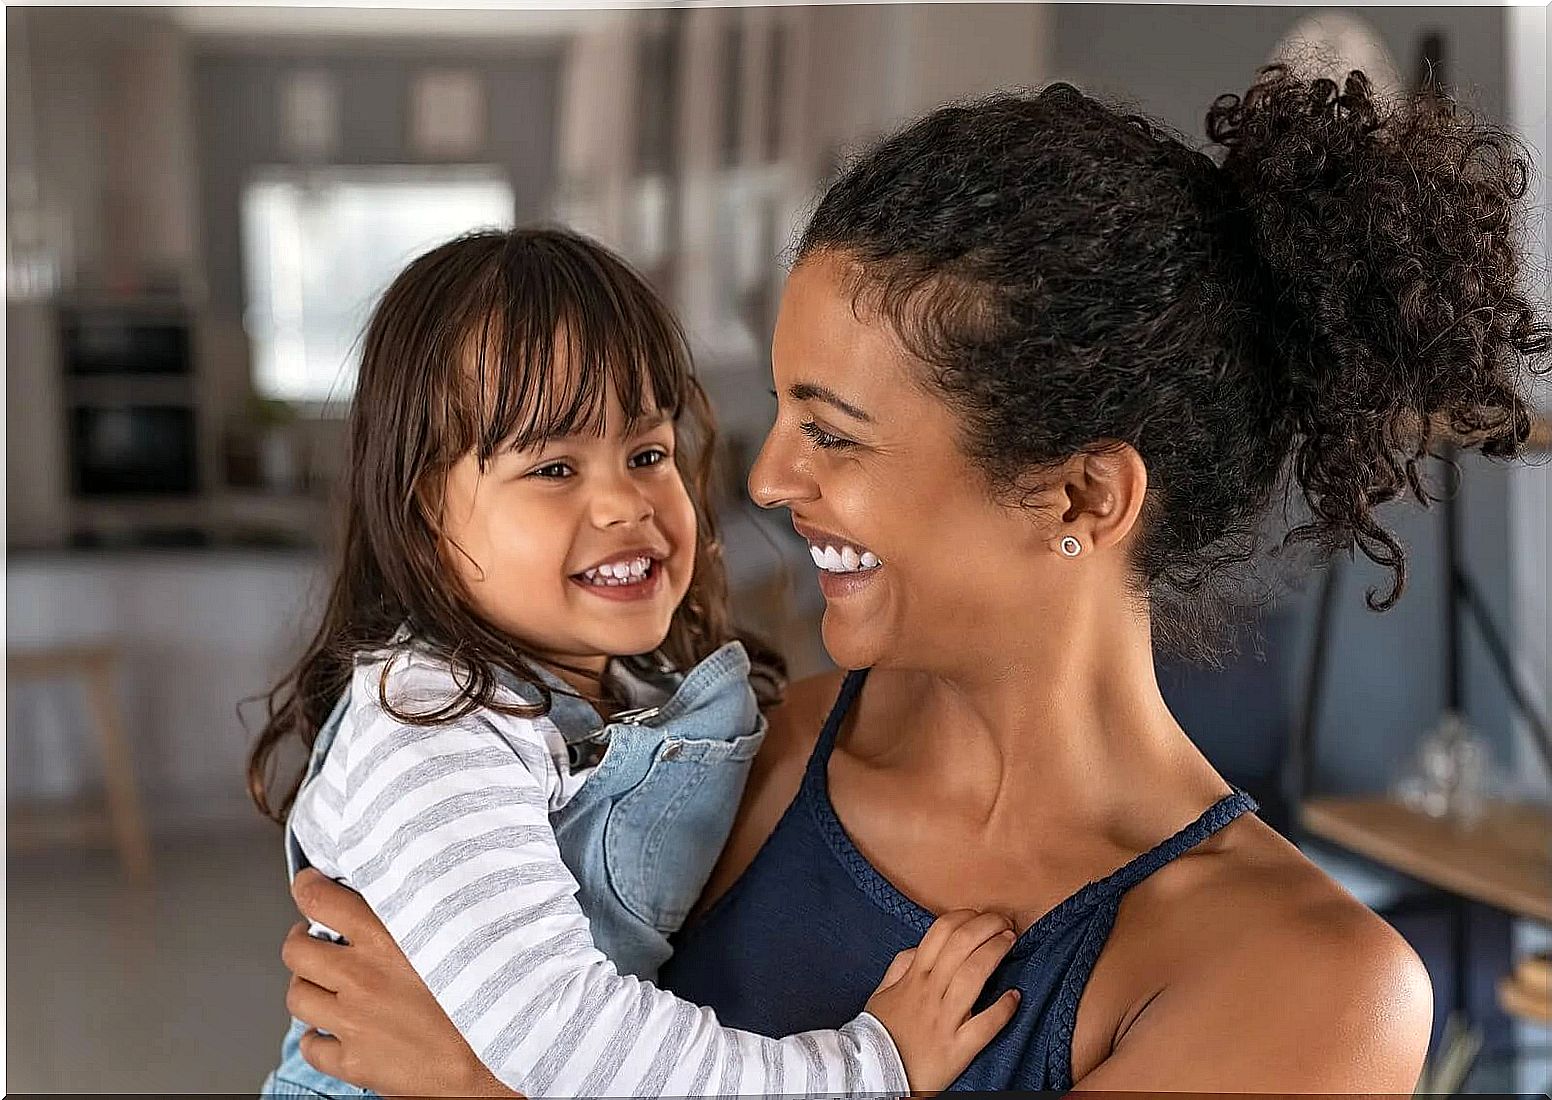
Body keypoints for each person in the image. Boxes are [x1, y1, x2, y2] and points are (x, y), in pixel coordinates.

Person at [276, 68, 1548, 1092]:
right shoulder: (735, 758)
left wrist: (481, 1088)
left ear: (1081, 495)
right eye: (779, 413)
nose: (766, 478)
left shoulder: (1306, 986)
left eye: (831, 430)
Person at [248, 227, 1022, 1099]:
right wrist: (868, 1069)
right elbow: (568, 1038)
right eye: (553, 467)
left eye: (647, 453)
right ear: (428, 509)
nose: (625, 501)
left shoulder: (638, 698)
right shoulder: (433, 721)